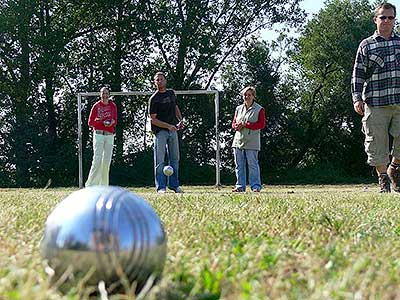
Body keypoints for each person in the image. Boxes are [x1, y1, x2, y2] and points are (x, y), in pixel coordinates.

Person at [351, 2, 400, 193]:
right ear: (375, 19)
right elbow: (358, 74)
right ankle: (383, 180)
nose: (386, 21)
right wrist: (357, 98)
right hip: (375, 102)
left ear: (394, 20)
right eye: (383, 17)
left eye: (390, 17)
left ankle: (394, 168)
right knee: (375, 143)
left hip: (398, 100)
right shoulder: (366, 45)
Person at [149, 72, 184, 193]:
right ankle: (161, 187)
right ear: (155, 82)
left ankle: (174, 185)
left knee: (175, 158)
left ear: (165, 80)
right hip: (160, 132)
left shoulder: (171, 93)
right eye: (157, 80)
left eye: (161, 79)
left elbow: (175, 107)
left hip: (173, 130)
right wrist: (168, 126)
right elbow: (153, 119)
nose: (159, 81)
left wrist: (180, 120)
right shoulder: (154, 99)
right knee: (160, 160)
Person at [231, 86, 266, 192]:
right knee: (239, 165)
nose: (247, 97)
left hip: (252, 141)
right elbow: (233, 123)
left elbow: (261, 124)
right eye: (245, 95)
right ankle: (240, 186)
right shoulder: (238, 109)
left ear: (253, 96)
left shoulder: (259, 109)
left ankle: (255, 186)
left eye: (249, 95)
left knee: (253, 165)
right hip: (238, 140)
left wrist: (246, 125)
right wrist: (236, 126)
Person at [85, 86, 117, 186]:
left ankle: (104, 185)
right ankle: (91, 185)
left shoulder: (113, 106)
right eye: (103, 93)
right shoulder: (96, 106)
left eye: (106, 93)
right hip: (99, 134)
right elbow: (90, 122)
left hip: (109, 135)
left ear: (109, 94)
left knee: (106, 161)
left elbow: (115, 120)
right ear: (100, 94)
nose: (105, 95)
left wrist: (111, 122)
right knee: (97, 160)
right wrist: (102, 123)